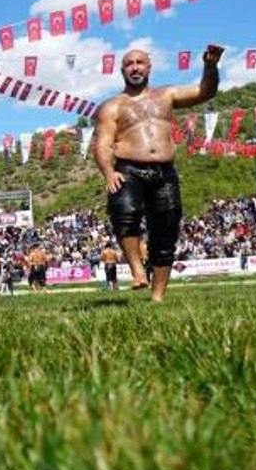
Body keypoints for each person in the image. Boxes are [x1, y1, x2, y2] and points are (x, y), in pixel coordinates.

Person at [93, 46, 222, 303]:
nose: (135, 67)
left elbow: (205, 91)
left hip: (164, 170)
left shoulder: (167, 95)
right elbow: (102, 144)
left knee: (165, 231)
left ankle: (158, 297)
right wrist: (108, 172)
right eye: (129, 64)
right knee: (124, 212)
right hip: (128, 168)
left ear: (149, 67)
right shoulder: (112, 106)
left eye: (140, 62)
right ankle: (138, 270)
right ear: (122, 71)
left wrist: (210, 66)